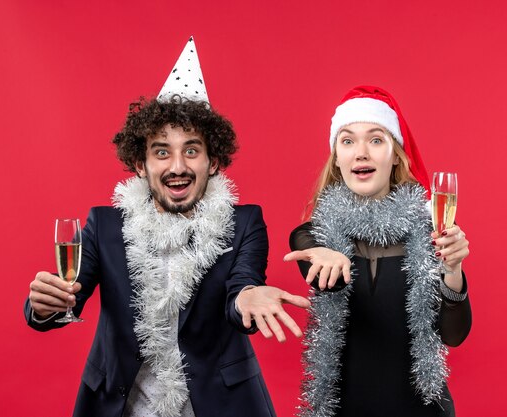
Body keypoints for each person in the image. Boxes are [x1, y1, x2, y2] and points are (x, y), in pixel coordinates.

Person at [24, 37, 310, 417]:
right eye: (162, 152)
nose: (177, 166)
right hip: (121, 405)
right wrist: (45, 306)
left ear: (213, 163)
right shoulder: (104, 226)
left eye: (191, 150)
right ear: (141, 165)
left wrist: (245, 299)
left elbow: (240, 287)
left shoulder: (244, 223)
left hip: (218, 405)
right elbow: (67, 295)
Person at [284, 86, 472, 417]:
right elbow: (315, 256)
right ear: (337, 159)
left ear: (396, 155)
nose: (361, 153)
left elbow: (454, 336)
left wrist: (452, 269)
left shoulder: (429, 230)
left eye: (375, 139)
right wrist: (327, 255)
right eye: (348, 141)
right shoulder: (317, 234)